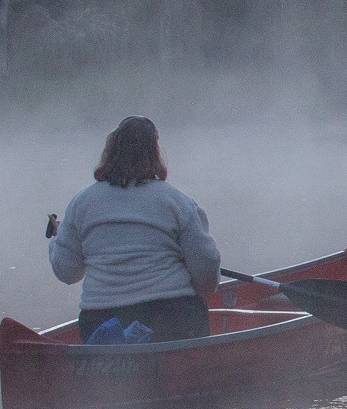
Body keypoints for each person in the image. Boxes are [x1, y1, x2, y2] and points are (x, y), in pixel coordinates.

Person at [48, 116, 220, 342]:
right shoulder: (177, 202)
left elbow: (68, 272)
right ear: (154, 153)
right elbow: (207, 275)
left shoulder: (81, 204)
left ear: (111, 151)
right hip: (172, 317)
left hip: (102, 321)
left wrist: (57, 238)